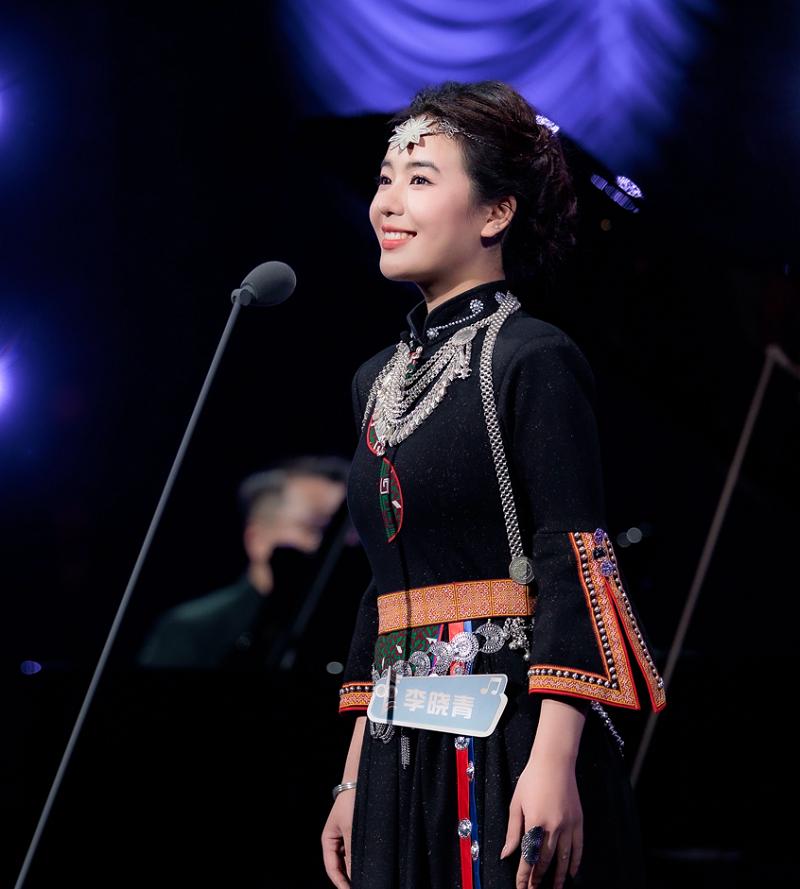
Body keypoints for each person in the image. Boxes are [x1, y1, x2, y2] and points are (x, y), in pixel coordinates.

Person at [320, 80, 668, 889]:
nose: (387, 202)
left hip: (511, 734)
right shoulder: (375, 382)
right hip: (396, 749)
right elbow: (384, 592)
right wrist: (350, 780)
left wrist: (553, 760)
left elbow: (575, 561)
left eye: (420, 179)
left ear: (495, 213)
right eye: (384, 179)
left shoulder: (531, 358)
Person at [137, 455, 348, 669]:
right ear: (257, 539)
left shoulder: (349, 627)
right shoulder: (192, 630)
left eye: (354, 533)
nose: (347, 545)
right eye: (317, 527)